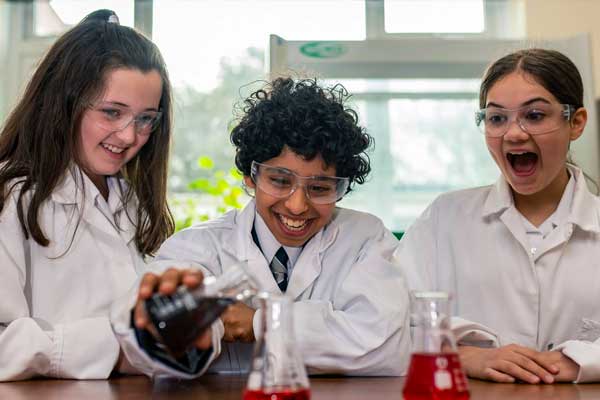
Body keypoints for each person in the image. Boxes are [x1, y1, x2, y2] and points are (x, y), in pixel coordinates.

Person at [116, 77, 411, 378]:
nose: (297, 206)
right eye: (280, 181)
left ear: (342, 189)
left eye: (320, 188)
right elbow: (146, 346)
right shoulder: (197, 248)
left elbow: (386, 347)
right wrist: (186, 328)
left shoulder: (364, 239)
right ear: (250, 176)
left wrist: (258, 323)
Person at [394, 48, 600, 383]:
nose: (514, 133)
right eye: (497, 118)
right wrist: (465, 355)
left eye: (534, 115)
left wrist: (581, 361)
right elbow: (389, 321)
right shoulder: (445, 218)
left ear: (575, 123)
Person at [0, 9, 176, 381]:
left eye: (146, 119)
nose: (130, 136)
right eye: (112, 112)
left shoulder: (132, 204)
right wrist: (114, 350)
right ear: (62, 104)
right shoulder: (12, 197)